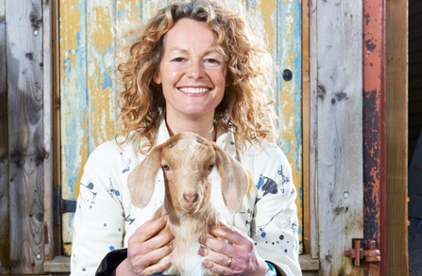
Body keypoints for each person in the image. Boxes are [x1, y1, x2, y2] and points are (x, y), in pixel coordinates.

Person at [70, 0, 302, 275]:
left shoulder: (265, 163)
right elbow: (85, 270)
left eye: (212, 60)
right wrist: (127, 270)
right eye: (179, 59)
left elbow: (287, 269)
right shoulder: (109, 164)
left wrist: (257, 270)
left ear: (230, 73)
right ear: (156, 71)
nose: (195, 73)